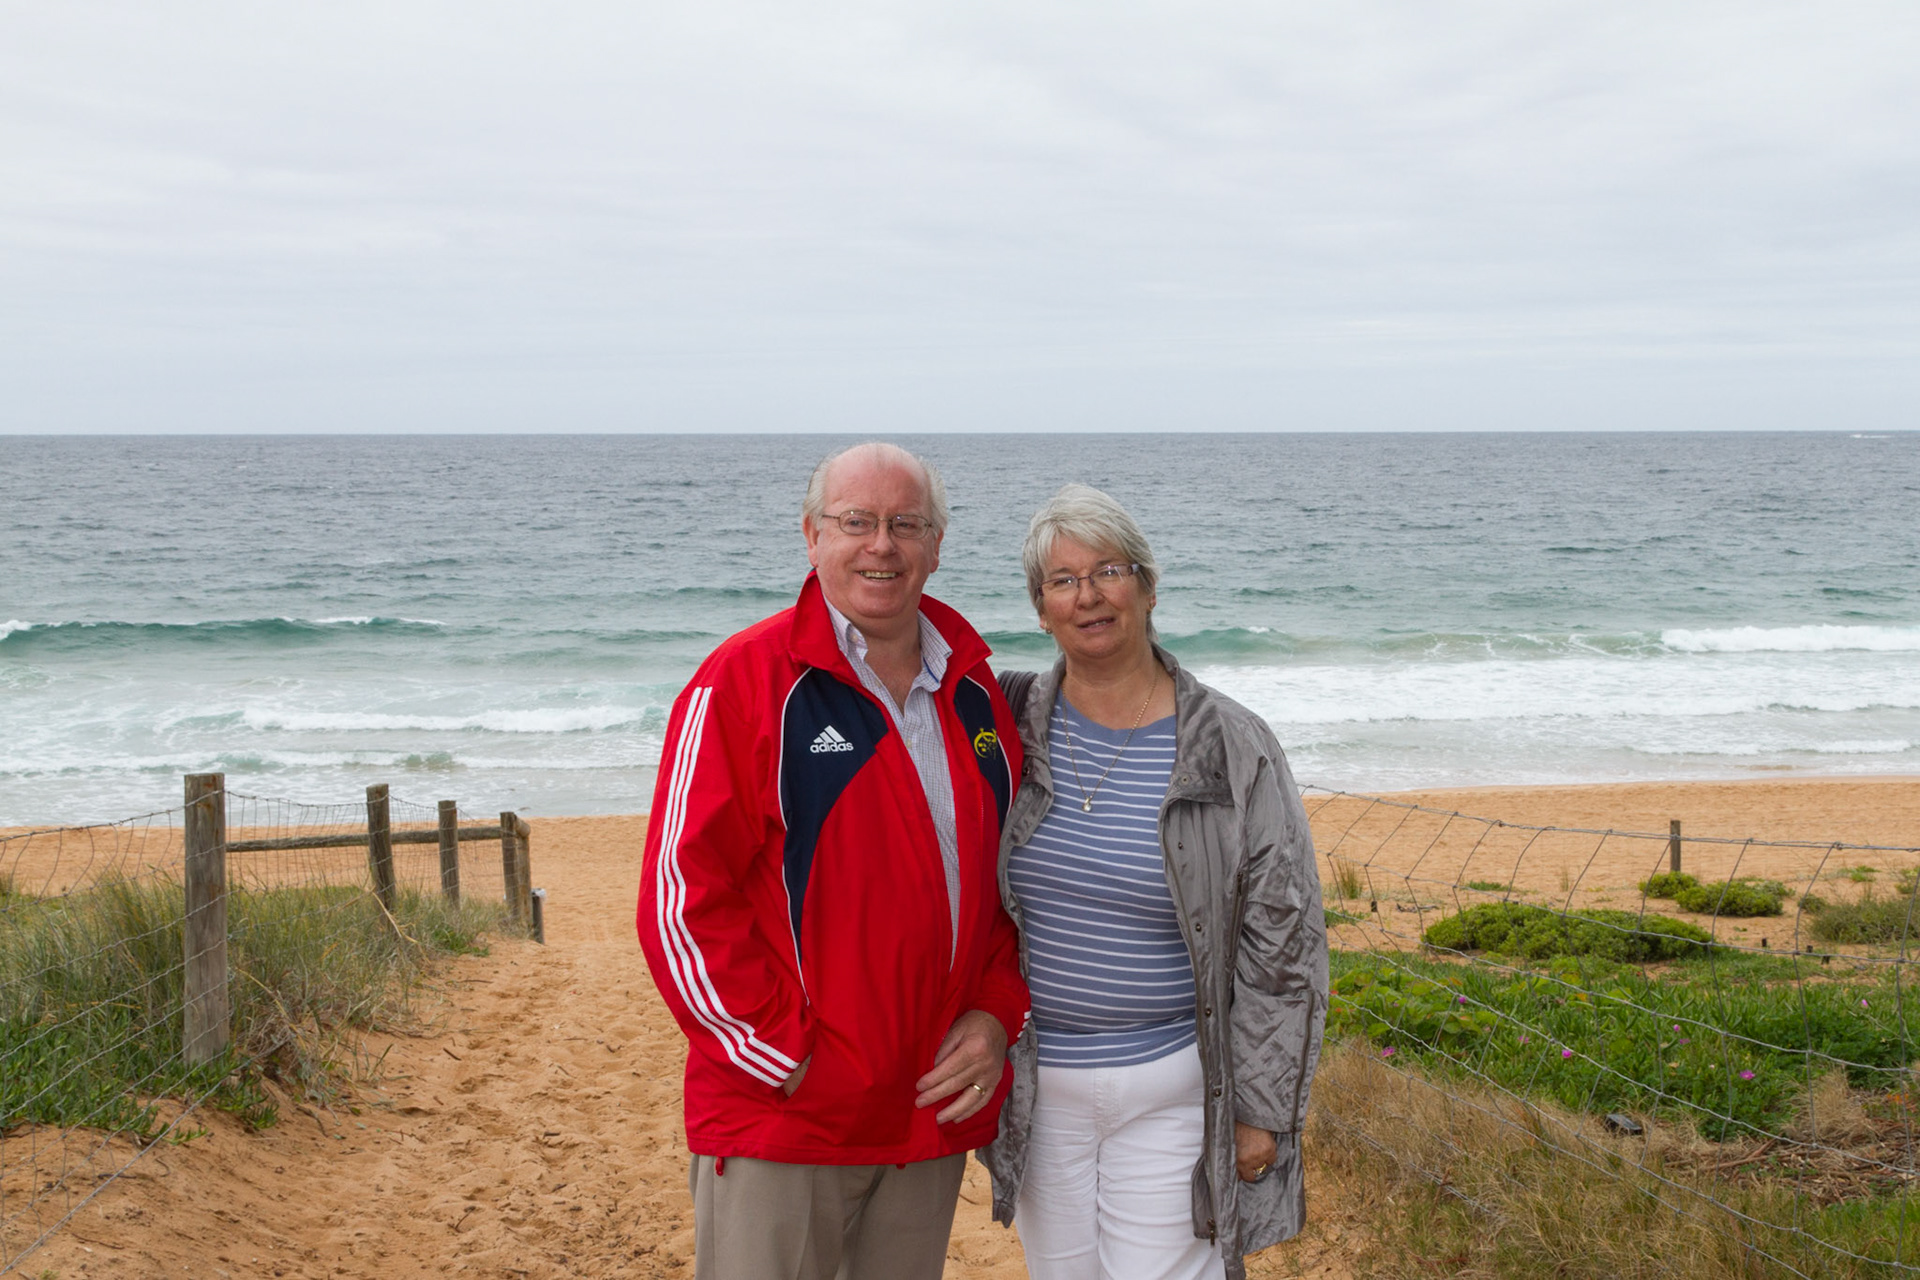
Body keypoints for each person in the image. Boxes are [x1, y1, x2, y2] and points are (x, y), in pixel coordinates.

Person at [636, 442, 1029, 1280]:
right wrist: (780, 1055)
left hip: (922, 1122)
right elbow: (679, 900)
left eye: (904, 524)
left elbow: (1005, 892)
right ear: (812, 536)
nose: (880, 545)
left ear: (937, 544)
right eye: (856, 522)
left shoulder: (973, 691)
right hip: (786, 1122)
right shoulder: (742, 681)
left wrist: (995, 1016)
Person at [981, 484, 1328, 1280]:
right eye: (1063, 580)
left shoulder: (1231, 745)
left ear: (1148, 585)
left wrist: (1263, 1109)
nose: (1089, 595)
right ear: (1039, 608)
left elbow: (1283, 940)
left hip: (1173, 1085)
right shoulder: (1004, 724)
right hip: (1041, 1087)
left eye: (1110, 569)